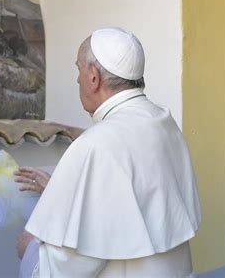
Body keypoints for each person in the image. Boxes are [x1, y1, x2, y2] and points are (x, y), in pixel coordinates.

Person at [14, 27, 201, 277]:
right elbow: (130, 200)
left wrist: (31, 247)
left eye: (78, 69)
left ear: (93, 78)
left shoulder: (95, 144)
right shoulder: (163, 123)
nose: (77, 79)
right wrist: (63, 193)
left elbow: (65, 268)